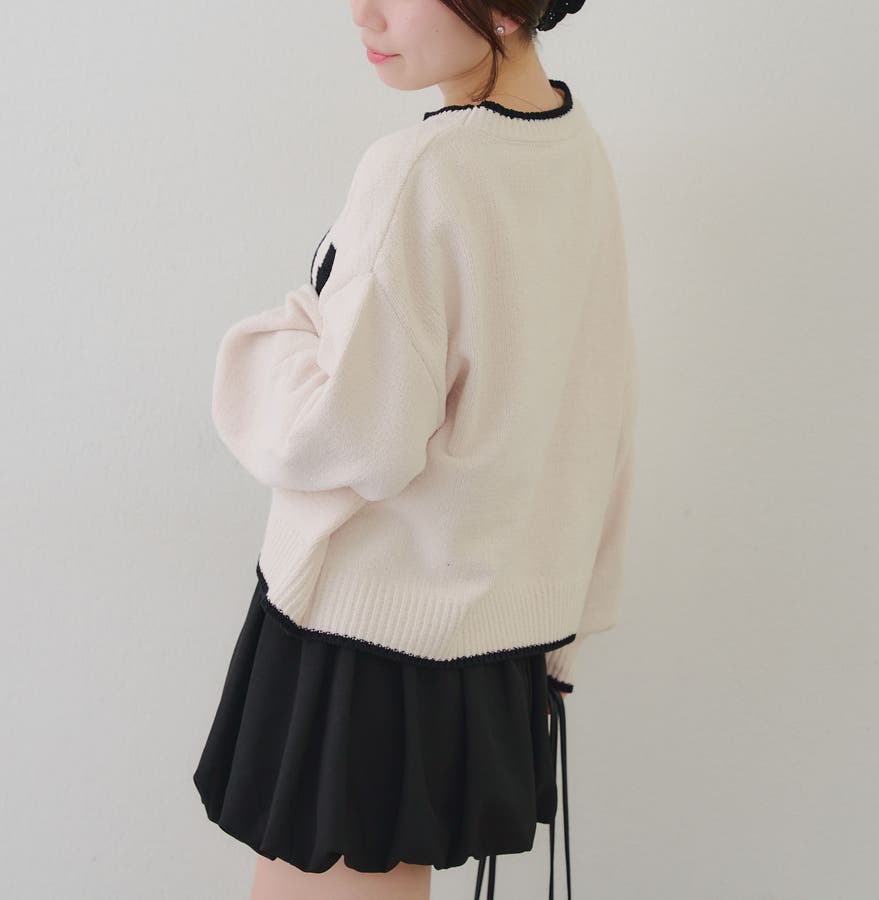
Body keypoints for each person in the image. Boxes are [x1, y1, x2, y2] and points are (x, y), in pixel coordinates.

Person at [192, 0, 638, 898]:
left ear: (504, 7)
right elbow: (601, 412)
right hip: (496, 636)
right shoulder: (574, 149)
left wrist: (271, 347)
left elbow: (351, 435)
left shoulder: (424, 169)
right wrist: (566, 630)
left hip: (367, 641)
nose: (362, 12)